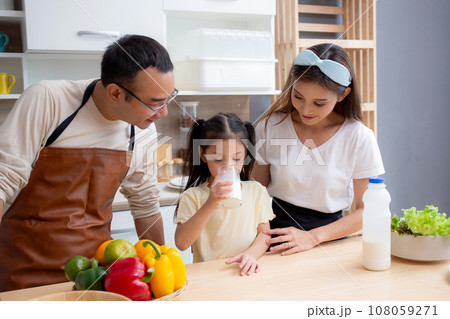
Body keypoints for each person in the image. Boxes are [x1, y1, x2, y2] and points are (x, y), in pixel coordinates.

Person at [0, 35, 177, 291]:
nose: (164, 113)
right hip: (23, 275)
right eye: (154, 103)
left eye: (169, 99)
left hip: (93, 277)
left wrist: (162, 273)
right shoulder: (48, 100)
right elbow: (3, 180)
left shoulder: (142, 127)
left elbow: (145, 202)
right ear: (115, 93)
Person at [252, 43, 385, 255]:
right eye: (298, 96)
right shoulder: (270, 127)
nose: (306, 110)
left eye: (319, 103)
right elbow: (255, 192)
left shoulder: (359, 137)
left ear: (342, 95)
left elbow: (367, 210)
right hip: (275, 239)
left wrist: (312, 237)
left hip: (331, 242)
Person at [175, 113, 274, 276]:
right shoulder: (193, 196)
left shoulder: (256, 191)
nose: (229, 166)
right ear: (203, 154)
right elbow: (182, 243)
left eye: (236, 158)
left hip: (244, 272)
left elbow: (264, 234)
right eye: (218, 159)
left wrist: (251, 254)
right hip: (208, 277)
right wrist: (210, 204)